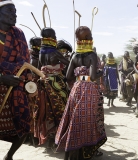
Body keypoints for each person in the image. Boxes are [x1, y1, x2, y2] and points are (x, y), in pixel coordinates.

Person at [55, 26, 107, 160]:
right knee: (88, 121)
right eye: (89, 37)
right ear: (85, 40)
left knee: (75, 121)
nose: (91, 39)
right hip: (89, 90)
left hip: (76, 88)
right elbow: (93, 76)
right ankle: (85, 151)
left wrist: (77, 83)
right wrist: (102, 71)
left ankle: (73, 150)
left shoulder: (74, 56)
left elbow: (67, 76)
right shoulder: (92, 55)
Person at [0, 1, 31, 159]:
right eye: (10, 11)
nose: (14, 15)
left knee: (23, 125)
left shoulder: (18, 34)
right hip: (3, 81)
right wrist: (2, 78)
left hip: (15, 87)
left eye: (15, 11)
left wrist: (21, 78)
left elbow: (25, 62)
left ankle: (9, 156)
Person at [34, 27, 70, 148]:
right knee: (63, 108)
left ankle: (50, 137)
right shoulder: (55, 52)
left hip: (44, 83)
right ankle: (59, 138)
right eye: (54, 35)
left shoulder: (40, 52)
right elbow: (69, 64)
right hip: (56, 83)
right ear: (52, 38)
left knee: (47, 109)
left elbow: (39, 69)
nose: (55, 38)